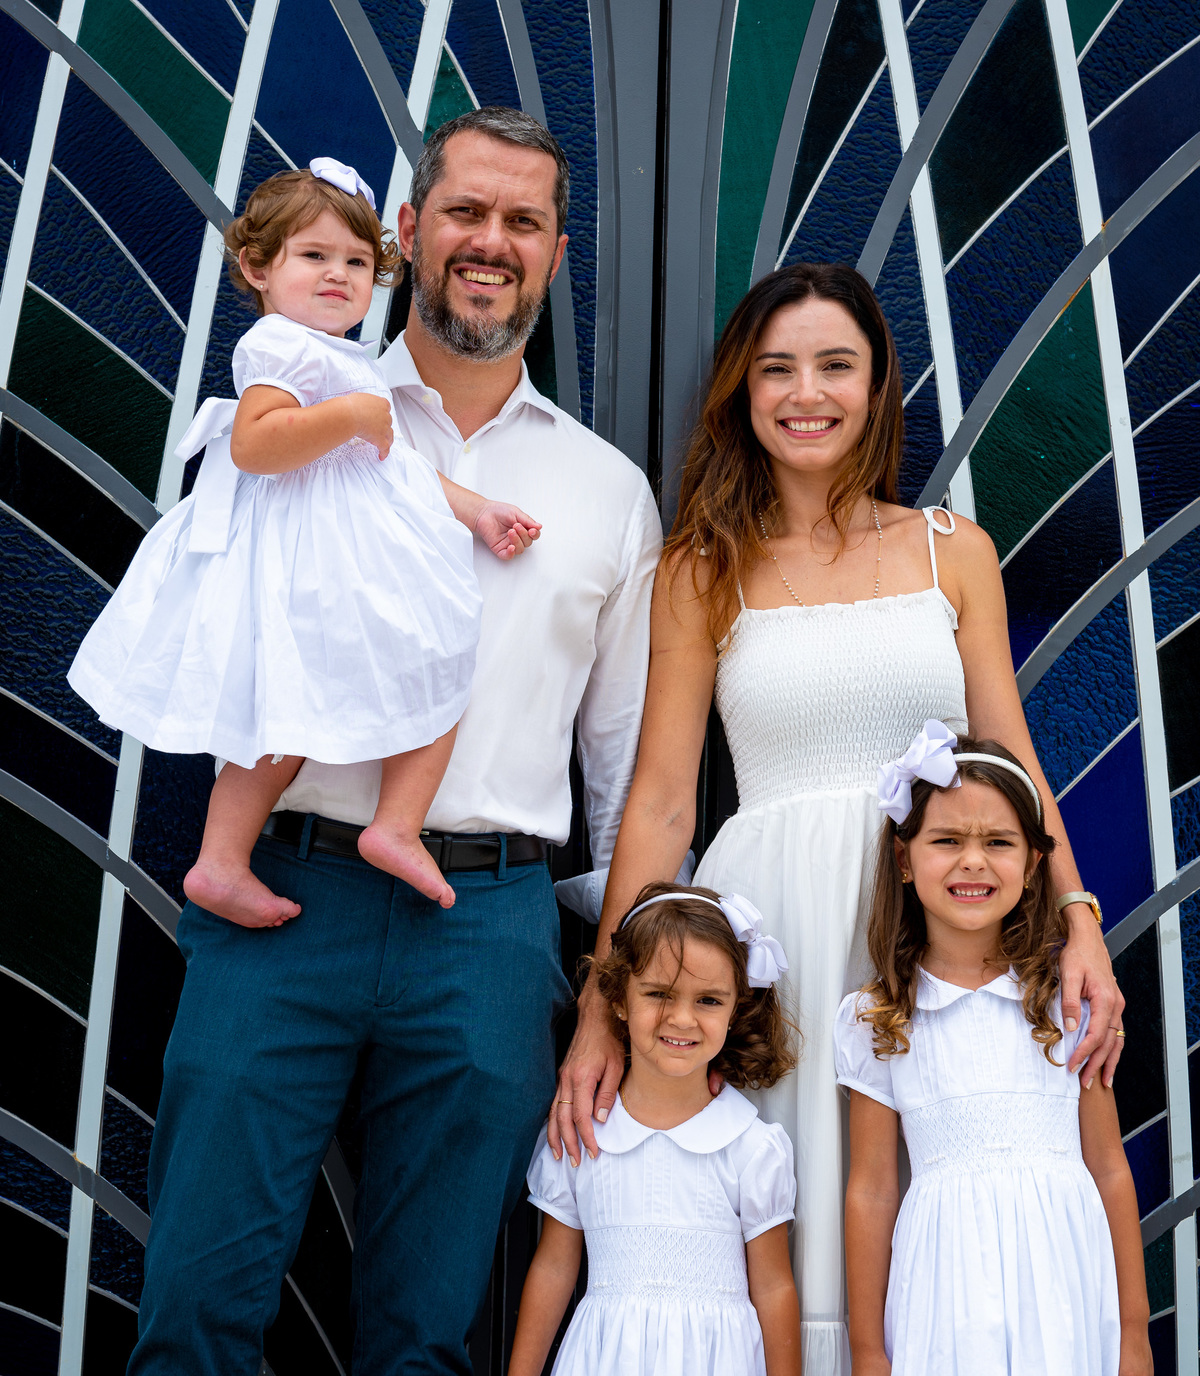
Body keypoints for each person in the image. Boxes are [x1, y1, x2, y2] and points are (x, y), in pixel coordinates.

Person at [126, 110, 661, 1376]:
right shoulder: (315, 393)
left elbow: (629, 774)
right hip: (282, 898)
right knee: (195, 1312)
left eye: (522, 221)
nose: (491, 242)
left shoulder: (607, 491)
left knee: (427, 1339)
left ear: (557, 252)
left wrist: (606, 992)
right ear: (408, 232)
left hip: (484, 926)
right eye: (465, 212)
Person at [550, 262, 1124, 1372]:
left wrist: (1079, 916)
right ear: (741, 392)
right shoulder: (698, 569)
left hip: (939, 932)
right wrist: (601, 1004)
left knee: (934, 1218)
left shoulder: (953, 550)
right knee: (794, 1227)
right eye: (776, 369)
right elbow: (665, 799)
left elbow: (1011, 757)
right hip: (776, 946)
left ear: (875, 387)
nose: (804, 392)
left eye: (833, 366)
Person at [69, 159, 540, 923]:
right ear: (258, 266)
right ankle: (347, 834)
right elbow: (256, 444)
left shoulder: (343, 360)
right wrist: (351, 416)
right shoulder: (283, 348)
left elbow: (400, 470)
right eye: (314, 256)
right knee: (434, 653)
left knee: (301, 714)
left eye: (356, 262)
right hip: (305, 566)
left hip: (330, 563)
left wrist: (476, 509)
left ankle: (256, 855)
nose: (339, 275)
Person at [837, 724, 1151, 1375]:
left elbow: (1109, 1168)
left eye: (999, 842)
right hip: (942, 1297)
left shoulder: (1072, 1004)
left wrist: (1132, 1334)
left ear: (1035, 865)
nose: (973, 861)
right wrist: (868, 1351)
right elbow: (870, 1190)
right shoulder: (877, 1018)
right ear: (903, 858)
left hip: (1066, 1289)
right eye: (947, 840)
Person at [510, 883, 802, 1376]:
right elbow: (554, 1267)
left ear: (737, 1009)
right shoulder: (583, 1136)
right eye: (660, 993)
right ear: (619, 998)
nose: (682, 1018)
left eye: (709, 999)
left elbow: (773, 1288)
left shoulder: (751, 1148)